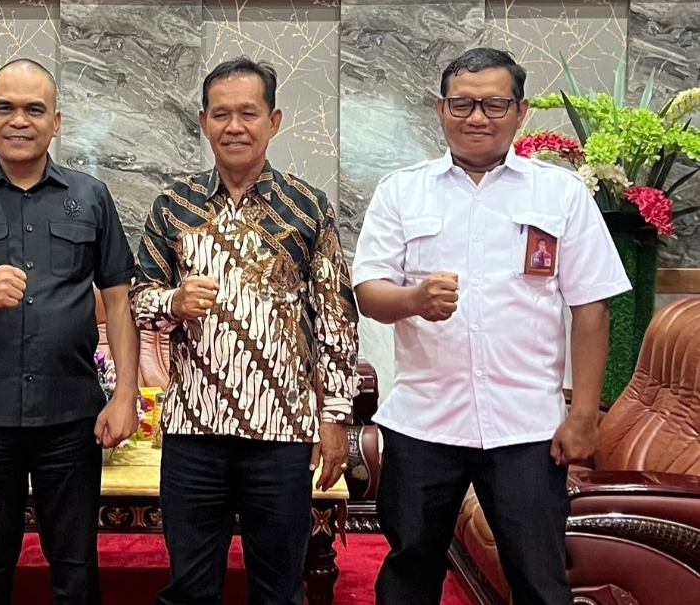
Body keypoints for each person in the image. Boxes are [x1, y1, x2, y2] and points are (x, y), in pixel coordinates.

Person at [352, 47, 631, 605]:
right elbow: (368, 293)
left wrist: (583, 416)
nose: (477, 116)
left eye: (494, 104)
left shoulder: (561, 193)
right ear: (441, 109)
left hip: (526, 428)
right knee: (408, 576)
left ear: (520, 111)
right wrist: (414, 299)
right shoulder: (402, 190)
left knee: (540, 582)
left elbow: (591, 307)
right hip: (424, 423)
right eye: (462, 103)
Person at [0, 58, 140, 605]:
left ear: (55, 122)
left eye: (34, 109)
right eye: (6, 108)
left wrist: (125, 394)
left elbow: (118, 298)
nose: (19, 120)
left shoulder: (90, 196)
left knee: (76, 566)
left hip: (71, 414)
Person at [131, 57, 360, 605]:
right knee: (190, 587)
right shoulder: (174, 206)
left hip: (282, 432)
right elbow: (137, 301)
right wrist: (173, 301)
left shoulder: (308, 208)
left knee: (279, 590)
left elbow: (336, 315)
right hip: (193, 429)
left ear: (273, 121)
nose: (234, 126)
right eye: (221, 114)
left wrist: (335, 419)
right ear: (203, 121)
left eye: (248, 113)